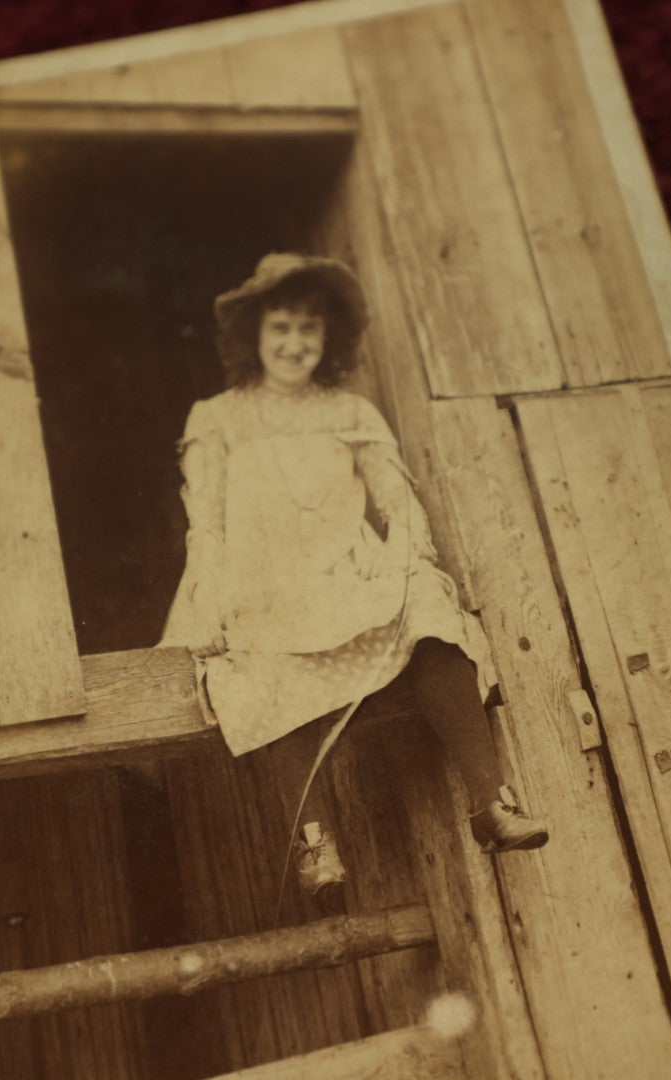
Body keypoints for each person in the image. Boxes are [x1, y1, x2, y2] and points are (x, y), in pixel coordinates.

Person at [159, 252, 549, 897]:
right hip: (264, 582)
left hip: (346, 567)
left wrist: (402, 553)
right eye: (280, 327)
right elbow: (208, 523)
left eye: (309, 329)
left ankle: (492, 803)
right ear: (253, 335)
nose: (294, 344)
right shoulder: (217, 417)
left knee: (426, 608)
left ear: (328, 337)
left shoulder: (352, 411)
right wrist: (213, 601)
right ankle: (316, 844)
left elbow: (394, 498)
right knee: (260, 658)